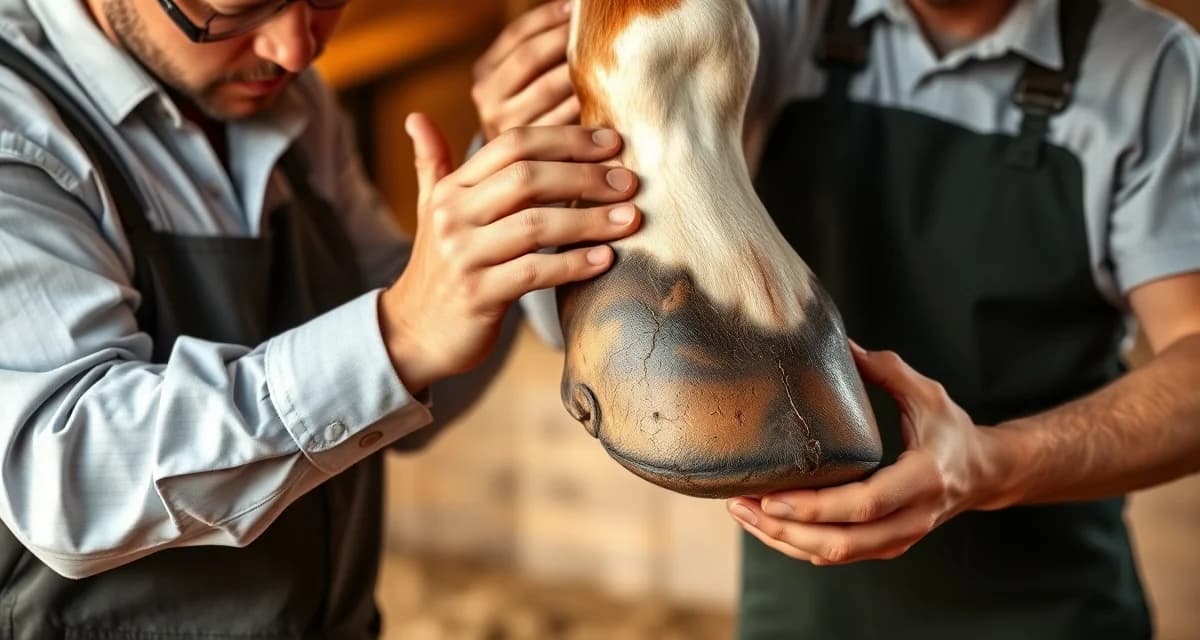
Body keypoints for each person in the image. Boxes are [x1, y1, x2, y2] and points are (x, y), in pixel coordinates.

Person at [476, 0, 1200, 638]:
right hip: (799, 610)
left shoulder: (1151, 70)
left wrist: (991, 463)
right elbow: (575, 307)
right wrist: (533, 150)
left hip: (1047, 610)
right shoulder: (769, 21)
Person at [0, 0, 643, 636]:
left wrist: (504, 191)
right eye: (241, 7)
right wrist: (398, 335)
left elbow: (408, 408)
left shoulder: (296, 103)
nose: (297, 50)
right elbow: (67, 478)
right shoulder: (18, 127)